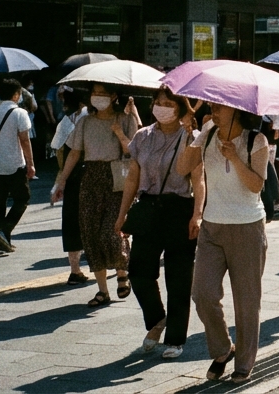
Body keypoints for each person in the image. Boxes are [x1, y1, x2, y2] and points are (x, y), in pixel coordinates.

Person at [180, 102, 269, 384]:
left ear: (236, 109)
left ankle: (244, 362)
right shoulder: (207, 134)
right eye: (212, 107)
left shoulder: (256, 140)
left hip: (247, 227)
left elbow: (256, 185)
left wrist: (236, 158)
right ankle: (222, 350)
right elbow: (182, 167)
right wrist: (193, 136)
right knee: (202, 294)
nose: (214, 112)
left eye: (220, 107)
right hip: (212, 226)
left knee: (246, 302)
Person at [116, 88, 202, 359]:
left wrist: (197, 214)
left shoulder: (191, 137)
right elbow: (133, 176)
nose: (162, 107)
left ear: (180, 108)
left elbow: (198, 179)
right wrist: (122, 214)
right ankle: (157, 319)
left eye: (168, 104)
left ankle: (175, 339)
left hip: (179, 208)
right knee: (138, 271)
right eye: (158, 103)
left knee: (178, 277)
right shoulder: (143, 136)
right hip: (148, 208)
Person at [51, 83, 139, 306]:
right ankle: (102, 291)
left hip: (117, 178)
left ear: (113, 95)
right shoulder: (85, 121)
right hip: (90, 177)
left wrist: (119, 133)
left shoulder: (126, 119)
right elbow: (74, 153)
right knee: (90, 233)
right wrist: (61, 181)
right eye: (94, 93)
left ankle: (122, 272)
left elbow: (134, 150)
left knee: (112, 231)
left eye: (102, 93)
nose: (97, 97)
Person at [51, 89, 89, 282]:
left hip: (71, 175)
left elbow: (57, 149)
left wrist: (61, 180)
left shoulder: (65, 122)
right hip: (93, 173)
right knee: (96, 219)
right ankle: (113, 267)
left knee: (72, 222)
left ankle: (75, 270)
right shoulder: (92, 118)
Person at [0, 79, 36, 256]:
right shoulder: (20, 113)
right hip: (15, 164)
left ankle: (3, 239)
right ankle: (5, 229)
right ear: (15, 95)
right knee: (22, 198)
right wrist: (31, 164)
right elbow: (25, 140)